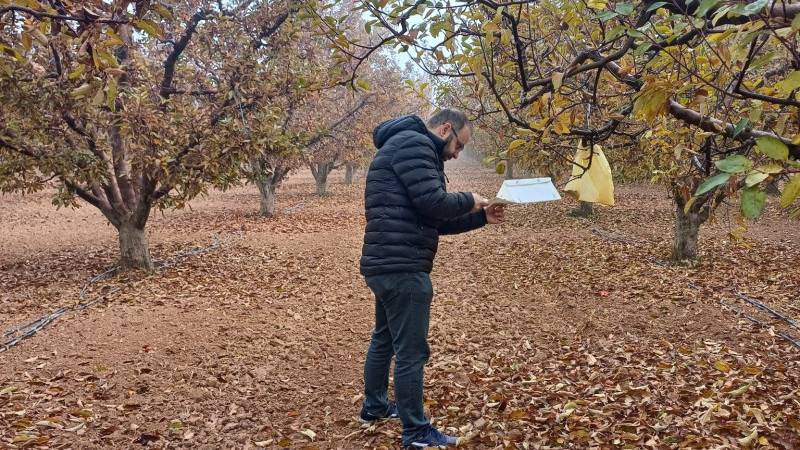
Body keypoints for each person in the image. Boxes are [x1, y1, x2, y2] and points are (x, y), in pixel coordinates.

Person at [358, 109, 505, 448]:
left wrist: (482, 217)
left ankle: (375, 406)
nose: (457, 154)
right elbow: (434, 201)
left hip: (387, 264)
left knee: (384, 337)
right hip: (403, 268)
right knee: (411, 351)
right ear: (445, 129)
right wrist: (469, 199)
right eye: (459, 146)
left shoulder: (407, 145)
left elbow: (433, 219)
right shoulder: (415, 145)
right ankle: (416, 432)